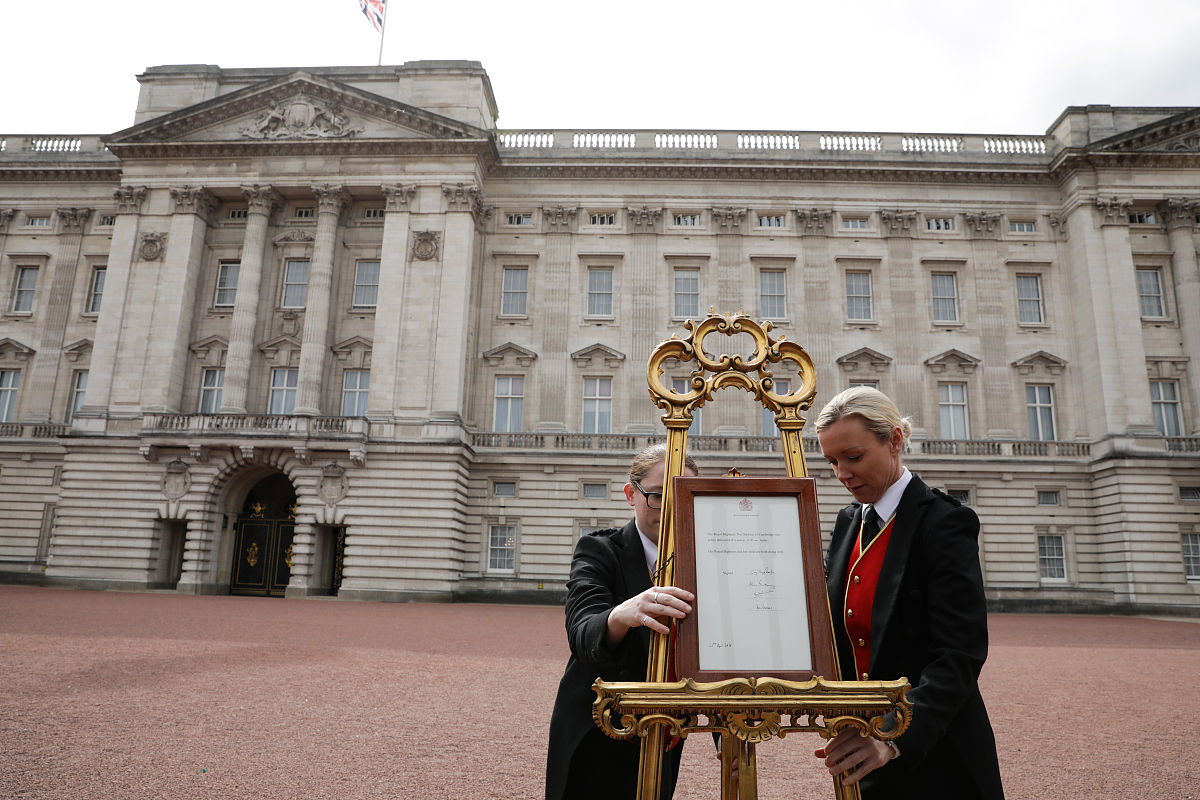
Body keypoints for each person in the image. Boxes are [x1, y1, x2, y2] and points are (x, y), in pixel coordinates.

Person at [812, 387, 1004, 800]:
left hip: (935, 753)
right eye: (832, 461)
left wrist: (892, 736)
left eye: (853, 457)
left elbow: (960, 653)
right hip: (861, 749)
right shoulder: (848, 522)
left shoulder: (945, 522)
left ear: (895, 440)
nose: (842, 473)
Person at [545, 443, 699, 800]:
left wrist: (726, 735)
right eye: (658, 496)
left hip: (663, 730)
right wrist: (621, 614)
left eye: (685, 498)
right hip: (597, 725)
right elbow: (583, 634)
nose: (672, 511)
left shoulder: (704, 558)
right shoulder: (599, 550)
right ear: (631, 494)